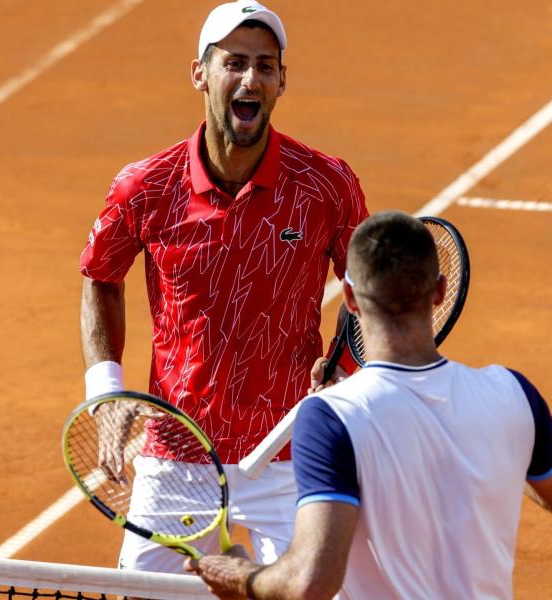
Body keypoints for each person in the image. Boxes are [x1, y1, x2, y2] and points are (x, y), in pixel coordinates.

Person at [78, 0, 368, 575]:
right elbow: (101, 276)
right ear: (201, 74)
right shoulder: (145, 186)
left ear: (282, 80)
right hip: (178, 449)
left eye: (265, 66)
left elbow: (364, 292)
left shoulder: (327, 185)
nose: (250, 79)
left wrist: (348, 367)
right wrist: (106, 392)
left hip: (291, 451)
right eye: (234, 63)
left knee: (313, 591)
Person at [187, 211, 552, 599]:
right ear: (438, 291)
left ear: (348, 296)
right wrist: (504, 444)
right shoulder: (511, 395)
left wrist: (241, 576)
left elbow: (309, 583)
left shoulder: (331, 418)